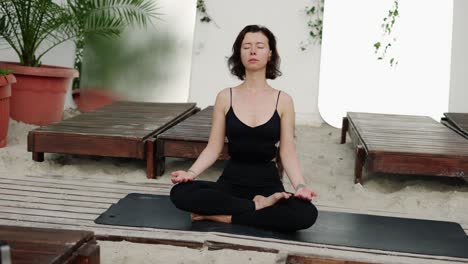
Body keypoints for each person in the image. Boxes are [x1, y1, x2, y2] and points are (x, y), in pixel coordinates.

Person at [170, 25, 318, 232]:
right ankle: (255, 207)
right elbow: (214, 147)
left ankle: (223, 217)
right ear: (239, 54)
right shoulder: (225, 96)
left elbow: (287, 152)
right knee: (180, 193)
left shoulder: (283, 100)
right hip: (230, 183)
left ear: (270, 54)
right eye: (246, 46)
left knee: (306, 214)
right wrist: (191, 173)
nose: (253, 51)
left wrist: (300, 186)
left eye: (260, 46)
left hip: (268, 186)